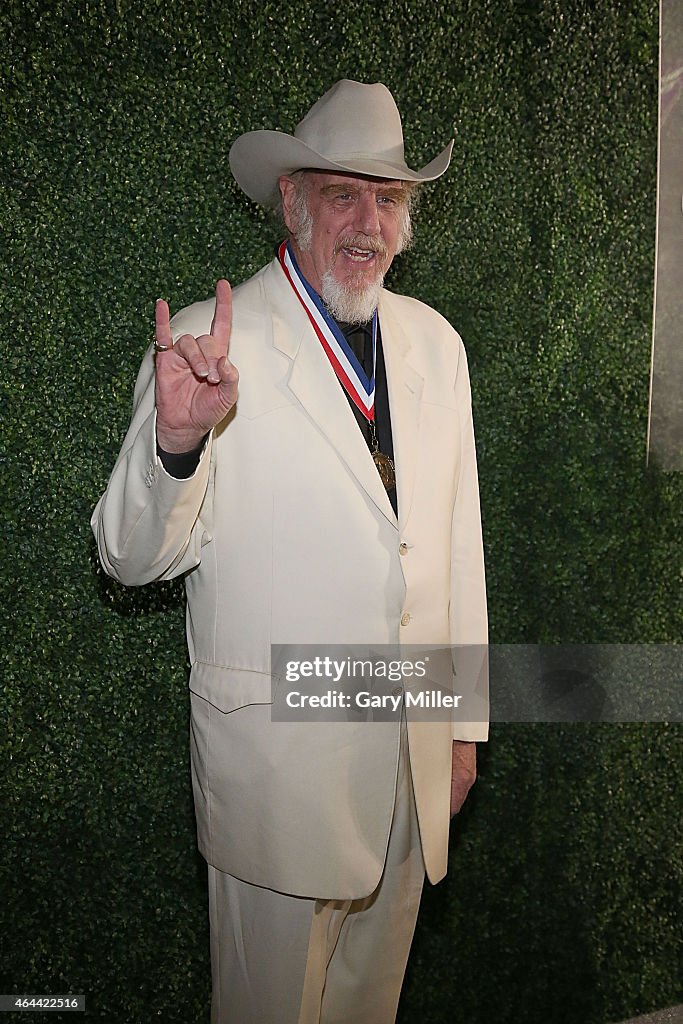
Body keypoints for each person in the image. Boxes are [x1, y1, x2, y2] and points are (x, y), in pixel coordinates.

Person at [92, 79, 488, 1024]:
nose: (366, 221)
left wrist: (461, 724)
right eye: (342, 193)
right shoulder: (205, 343)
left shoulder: (437, 345)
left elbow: (454, 542)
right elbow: (127, 556)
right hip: (275, 774)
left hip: (406, 754)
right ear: (292, 200)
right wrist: (176, 444)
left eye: (387, 199)